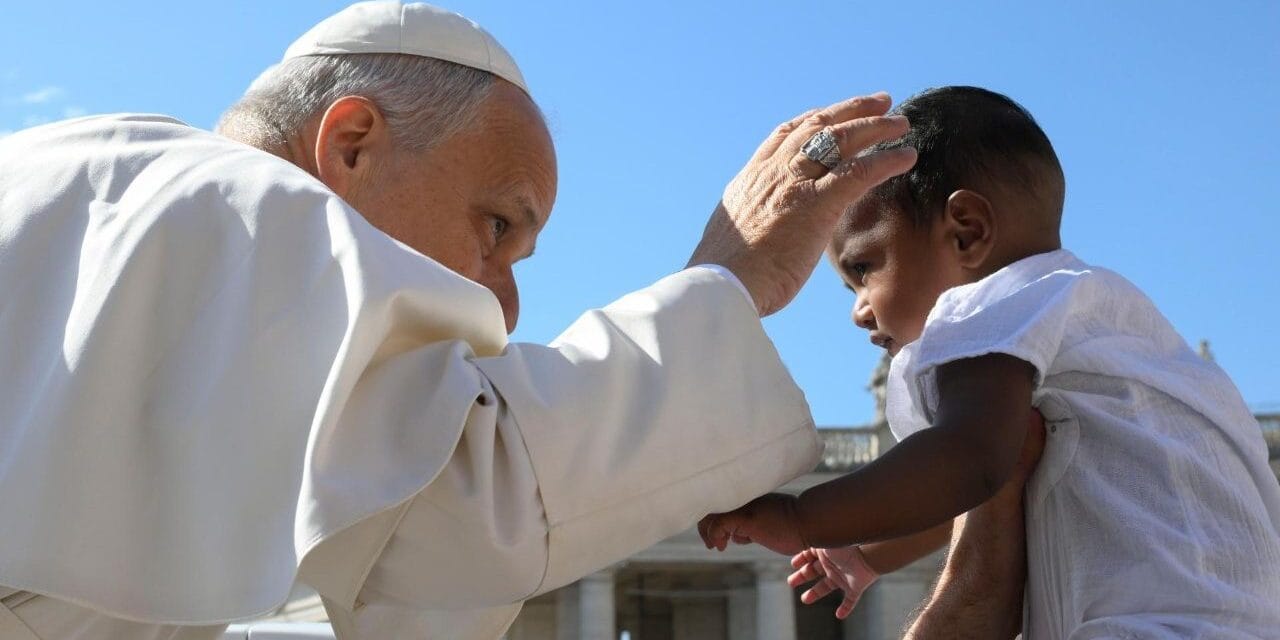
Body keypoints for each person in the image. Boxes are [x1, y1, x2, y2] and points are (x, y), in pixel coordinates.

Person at [0, 3, 921, 639]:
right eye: (496, 226)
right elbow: (458, 514)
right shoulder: (248, 209)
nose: (503, 302)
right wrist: (734, 277)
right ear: (350, 144)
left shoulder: (72, 179)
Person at [700, 86, 1280, 638]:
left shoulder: (989, 308)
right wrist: (865, 553)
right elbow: (963, 486)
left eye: (864, 270)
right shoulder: (1110, 321)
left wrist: (805, 517)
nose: (858, 311)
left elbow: (966, 463)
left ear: (967, 233)